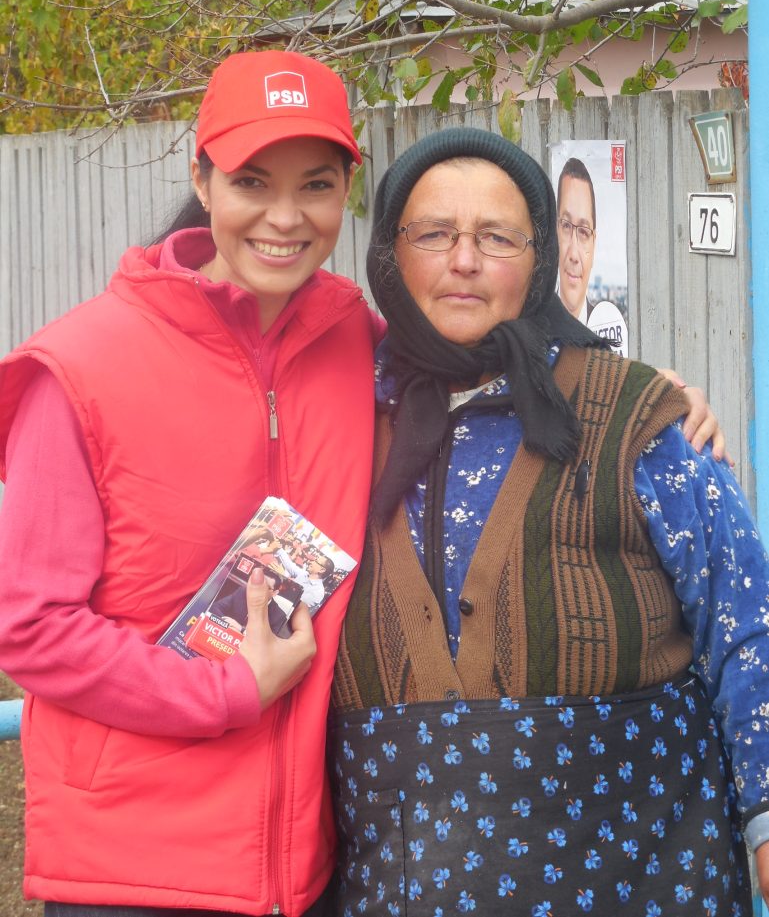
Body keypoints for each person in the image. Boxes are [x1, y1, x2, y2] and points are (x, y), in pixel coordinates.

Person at [330, 127, 769, 916]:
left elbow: (745, 622)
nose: (464, 259)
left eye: (497, 237)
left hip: (642, 881)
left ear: (539, 260)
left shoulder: (633, 416)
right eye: (433, 234)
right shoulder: (330, 418)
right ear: (390, 255)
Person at [0, 50, 379, 917]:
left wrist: (652, 400)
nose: (285, 216)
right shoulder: (82, 367)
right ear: (201, 180)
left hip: (311, 868)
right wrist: (224, 691)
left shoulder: (358, 341)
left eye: (316, 185)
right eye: (251, 181)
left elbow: (485, 380)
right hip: (131, 869)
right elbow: (31, 627)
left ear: (345, 193)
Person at [557, 156, 628, 354]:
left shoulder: (606, 332)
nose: (573, 254)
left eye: (583, 232)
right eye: (566, 226)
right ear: (555, 230)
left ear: (594, 243)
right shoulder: (534, 328)